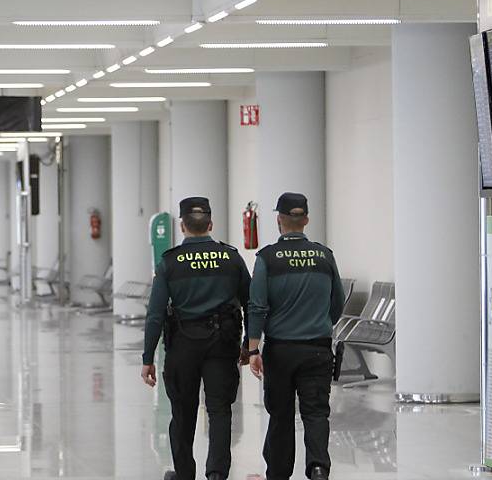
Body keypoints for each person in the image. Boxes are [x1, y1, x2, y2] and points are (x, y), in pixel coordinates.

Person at [141, 197, 251, 480]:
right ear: (211, 224)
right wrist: (249, 345)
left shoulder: (170, 263)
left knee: (183, 412)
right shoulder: (231, 257)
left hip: (183, 345)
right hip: (222, 343)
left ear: (182, 225)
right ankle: (216, 474)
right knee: (219, 410)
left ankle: (184, 474)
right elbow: (252, 303)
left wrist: (147, 358)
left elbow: (154, 314)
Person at [247, 193, 346, 480]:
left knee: (280, 414)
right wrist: (320, 325)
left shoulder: (267, 258)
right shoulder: (324, 255)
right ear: (306, 220)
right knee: (316, 413)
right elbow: (337, 301)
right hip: (317, 348)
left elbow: (257, 306)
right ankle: (317, 468)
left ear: (279, 220)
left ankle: (278, 472)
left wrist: (253, 349)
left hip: (281, 351)